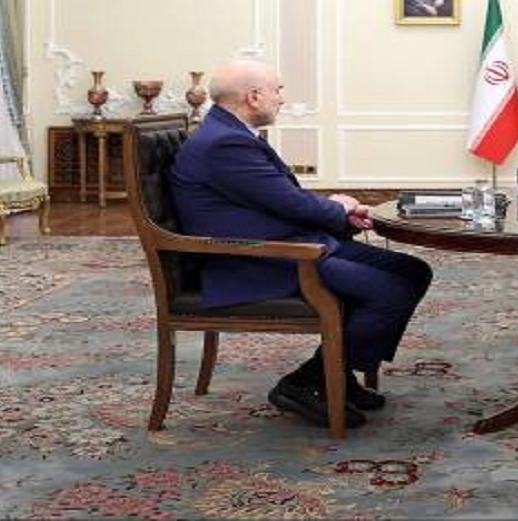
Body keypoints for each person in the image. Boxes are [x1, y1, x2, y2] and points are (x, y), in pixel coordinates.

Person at [169, 59, 433, 429]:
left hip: (289, 245)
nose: (281, 98)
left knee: (413, 271)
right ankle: (309, 381)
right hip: (254, 260)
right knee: (387, 290)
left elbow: (277, 197)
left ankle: (336, 375)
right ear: (253, 96)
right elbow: (290, 204)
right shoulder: (225, 143)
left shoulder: (229, 132)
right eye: (277, 90)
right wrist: (339, 209)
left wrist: (339, 213)